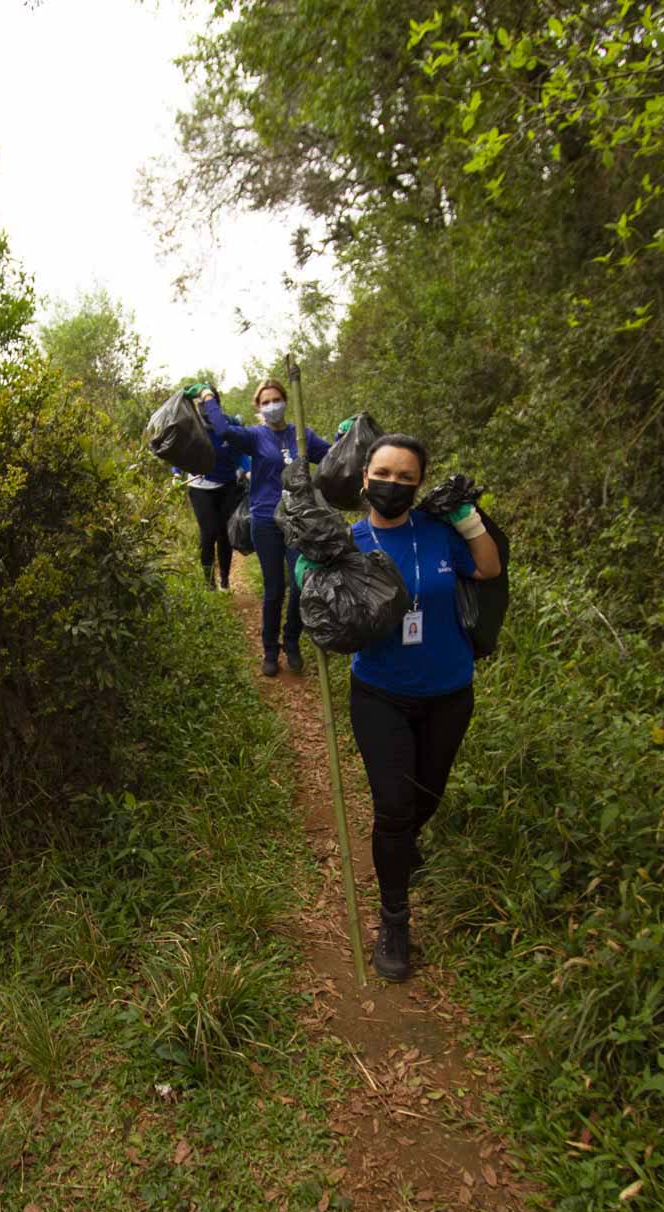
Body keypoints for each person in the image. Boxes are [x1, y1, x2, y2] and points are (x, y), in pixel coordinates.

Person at [300, 433, 502, 981]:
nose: (393, 484)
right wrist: (311, 575)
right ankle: (394, 919)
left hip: (450, 691)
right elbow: (323, 609)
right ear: (364, 478)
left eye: (406, 477)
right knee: (392, 807)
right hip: (380, 693)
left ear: (418, 485)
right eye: (383, 474)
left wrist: (468, 518)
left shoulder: (438, 532)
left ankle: (406, 842)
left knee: (425, 799)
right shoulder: (347, 543)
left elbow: (486, 569)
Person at [190, 379, 330, 675]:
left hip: (299, 519)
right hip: (265, 519)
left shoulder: (302, 435)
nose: (271, 406)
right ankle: (270, 649)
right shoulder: (255, 436)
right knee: (274, 588)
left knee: (301, 583)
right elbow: (224, 430)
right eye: (265, 402)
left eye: (276, 399)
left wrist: (349, 435)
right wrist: (207, 398)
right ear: (258, 407)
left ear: (285, 401)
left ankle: (291, 640)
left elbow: (331, 457)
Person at [173, 412, 250, 591]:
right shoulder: (192, 426)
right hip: (200, 487)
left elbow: (240, 453)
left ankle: (224, 580)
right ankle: (209, 584)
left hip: (228, 485)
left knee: (224, 534)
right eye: (199, 405)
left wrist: (249, 472)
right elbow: (179, 449)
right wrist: (176, 473)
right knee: (208, 534)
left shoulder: (227, 425)